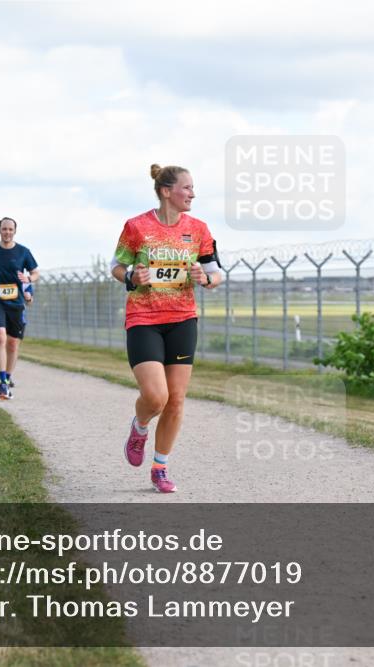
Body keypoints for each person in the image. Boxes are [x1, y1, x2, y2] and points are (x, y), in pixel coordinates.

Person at [110, 164, 222, 493]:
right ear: (166, 191)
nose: (192, 194)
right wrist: (131, 276)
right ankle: (140, 426)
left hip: (183, 318)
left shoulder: (199, 229)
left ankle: (160, 467)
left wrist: (207, 279)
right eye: (186, 188)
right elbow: (116, 265)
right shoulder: (136, 226)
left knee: (176, 400)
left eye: (193, 188)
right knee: (156, 397)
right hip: (144, 318)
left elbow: (216, 271)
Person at [0, 217, 39, 400]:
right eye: (4, 229)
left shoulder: (23, 251)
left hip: (16, 303)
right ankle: (3, 383)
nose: (7, 232)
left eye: (10, 229)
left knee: (13, 344)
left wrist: (29, 279)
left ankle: (6, 373)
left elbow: (35, 272)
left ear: (15, 231)